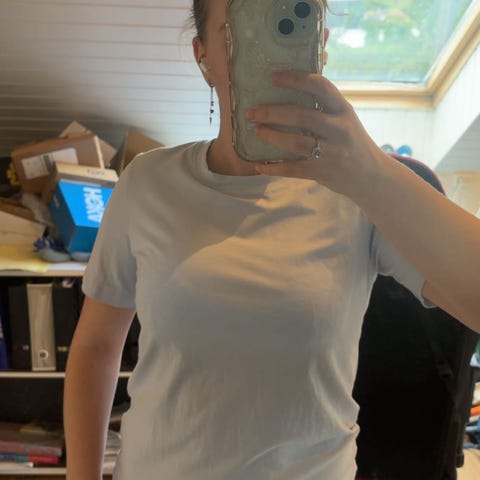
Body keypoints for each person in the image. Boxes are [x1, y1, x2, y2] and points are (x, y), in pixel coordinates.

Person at [63, 1, 480, 479]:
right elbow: (96, 345)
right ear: (203, 57)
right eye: (242, 27)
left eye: (290, 19)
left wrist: (371, 171)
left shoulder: (359, 191)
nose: (267, 49)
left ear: (320, 46)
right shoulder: (146, 183)